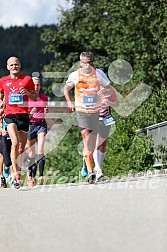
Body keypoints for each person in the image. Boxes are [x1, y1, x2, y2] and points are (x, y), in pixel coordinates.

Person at [64, 51, 113, 184]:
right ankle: (91, 172)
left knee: (95, 143)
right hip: (82, 111)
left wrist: (105, 91)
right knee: (87, 140)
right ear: (81, 63)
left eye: (90, 62)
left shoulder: (99, 74)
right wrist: (69, 102)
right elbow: (66, 89)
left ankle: (92, 167)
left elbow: (109, 88)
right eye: (85, 62)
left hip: (96, 112)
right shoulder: (75, 75)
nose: (88, 65)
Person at [0, 56, 37, 189]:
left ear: (20, 66)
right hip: (9, 115)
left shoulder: (27, 79)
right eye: (11, 65)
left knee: (21, 147)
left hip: (23, 116)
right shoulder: (3, 81)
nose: (14, 67)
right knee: (14, 142)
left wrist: (27, 92)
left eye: (16, 64)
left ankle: (18, 174)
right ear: (8, 67)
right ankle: (15, 175)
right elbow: (1, 95)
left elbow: (35, 96)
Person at [81, 73, 119, 181]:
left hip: (106, 119)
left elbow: (117, 104)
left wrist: (110, 103)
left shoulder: (110, 90)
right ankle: (98, 170)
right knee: (95, 144)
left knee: (102, 146)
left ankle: (96, 168)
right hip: (93, 119)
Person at [26, 77, 49, 187]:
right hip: (30, 125)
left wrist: (46, 110)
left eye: (38, 85)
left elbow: (45, 109)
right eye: (34, 85)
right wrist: (30, 113)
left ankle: (41, 176)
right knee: (31, 153)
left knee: (40, 149)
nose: (36, 87)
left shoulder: (44, 98)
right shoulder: (26, 99)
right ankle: (31, 176)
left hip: (41, 125)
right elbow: (23, 116)